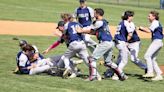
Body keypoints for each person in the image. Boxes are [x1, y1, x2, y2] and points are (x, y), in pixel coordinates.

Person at [77, 8, 127, 81]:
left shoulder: (98, 22)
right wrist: (83, 32)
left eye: (94, 13)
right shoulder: (104, 22)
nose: (93, 14)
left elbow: (91, 30)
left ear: (97, 14)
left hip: (105, 42)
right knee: (108, 62)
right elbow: (94, 32)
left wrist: (81, 31)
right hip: (110, 42)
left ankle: (92, 76)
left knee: (91, 59)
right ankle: (122, 75)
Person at [113, 11, 147, 80]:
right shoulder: (126, 23)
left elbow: (132, 32)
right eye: (132, 16)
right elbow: (129, 34)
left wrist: (142, 29)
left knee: (133, 59)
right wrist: (125, 42)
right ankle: (115, 73)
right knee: (121, 58)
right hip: (126, 42)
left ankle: (146, 68)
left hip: (134, 42)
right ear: (129, 17)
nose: (133, 17)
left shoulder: (126, 23)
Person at [139, 11, 163, 81]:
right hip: (158, 42)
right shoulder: (155, 23)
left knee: (147, 56)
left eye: (149, 16)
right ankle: (159, 75)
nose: (148, 17)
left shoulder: (155, 22)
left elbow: (149, 30)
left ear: (154, 17)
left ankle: (150, 72)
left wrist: (141, 28)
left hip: (157, 42)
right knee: (152, 59)